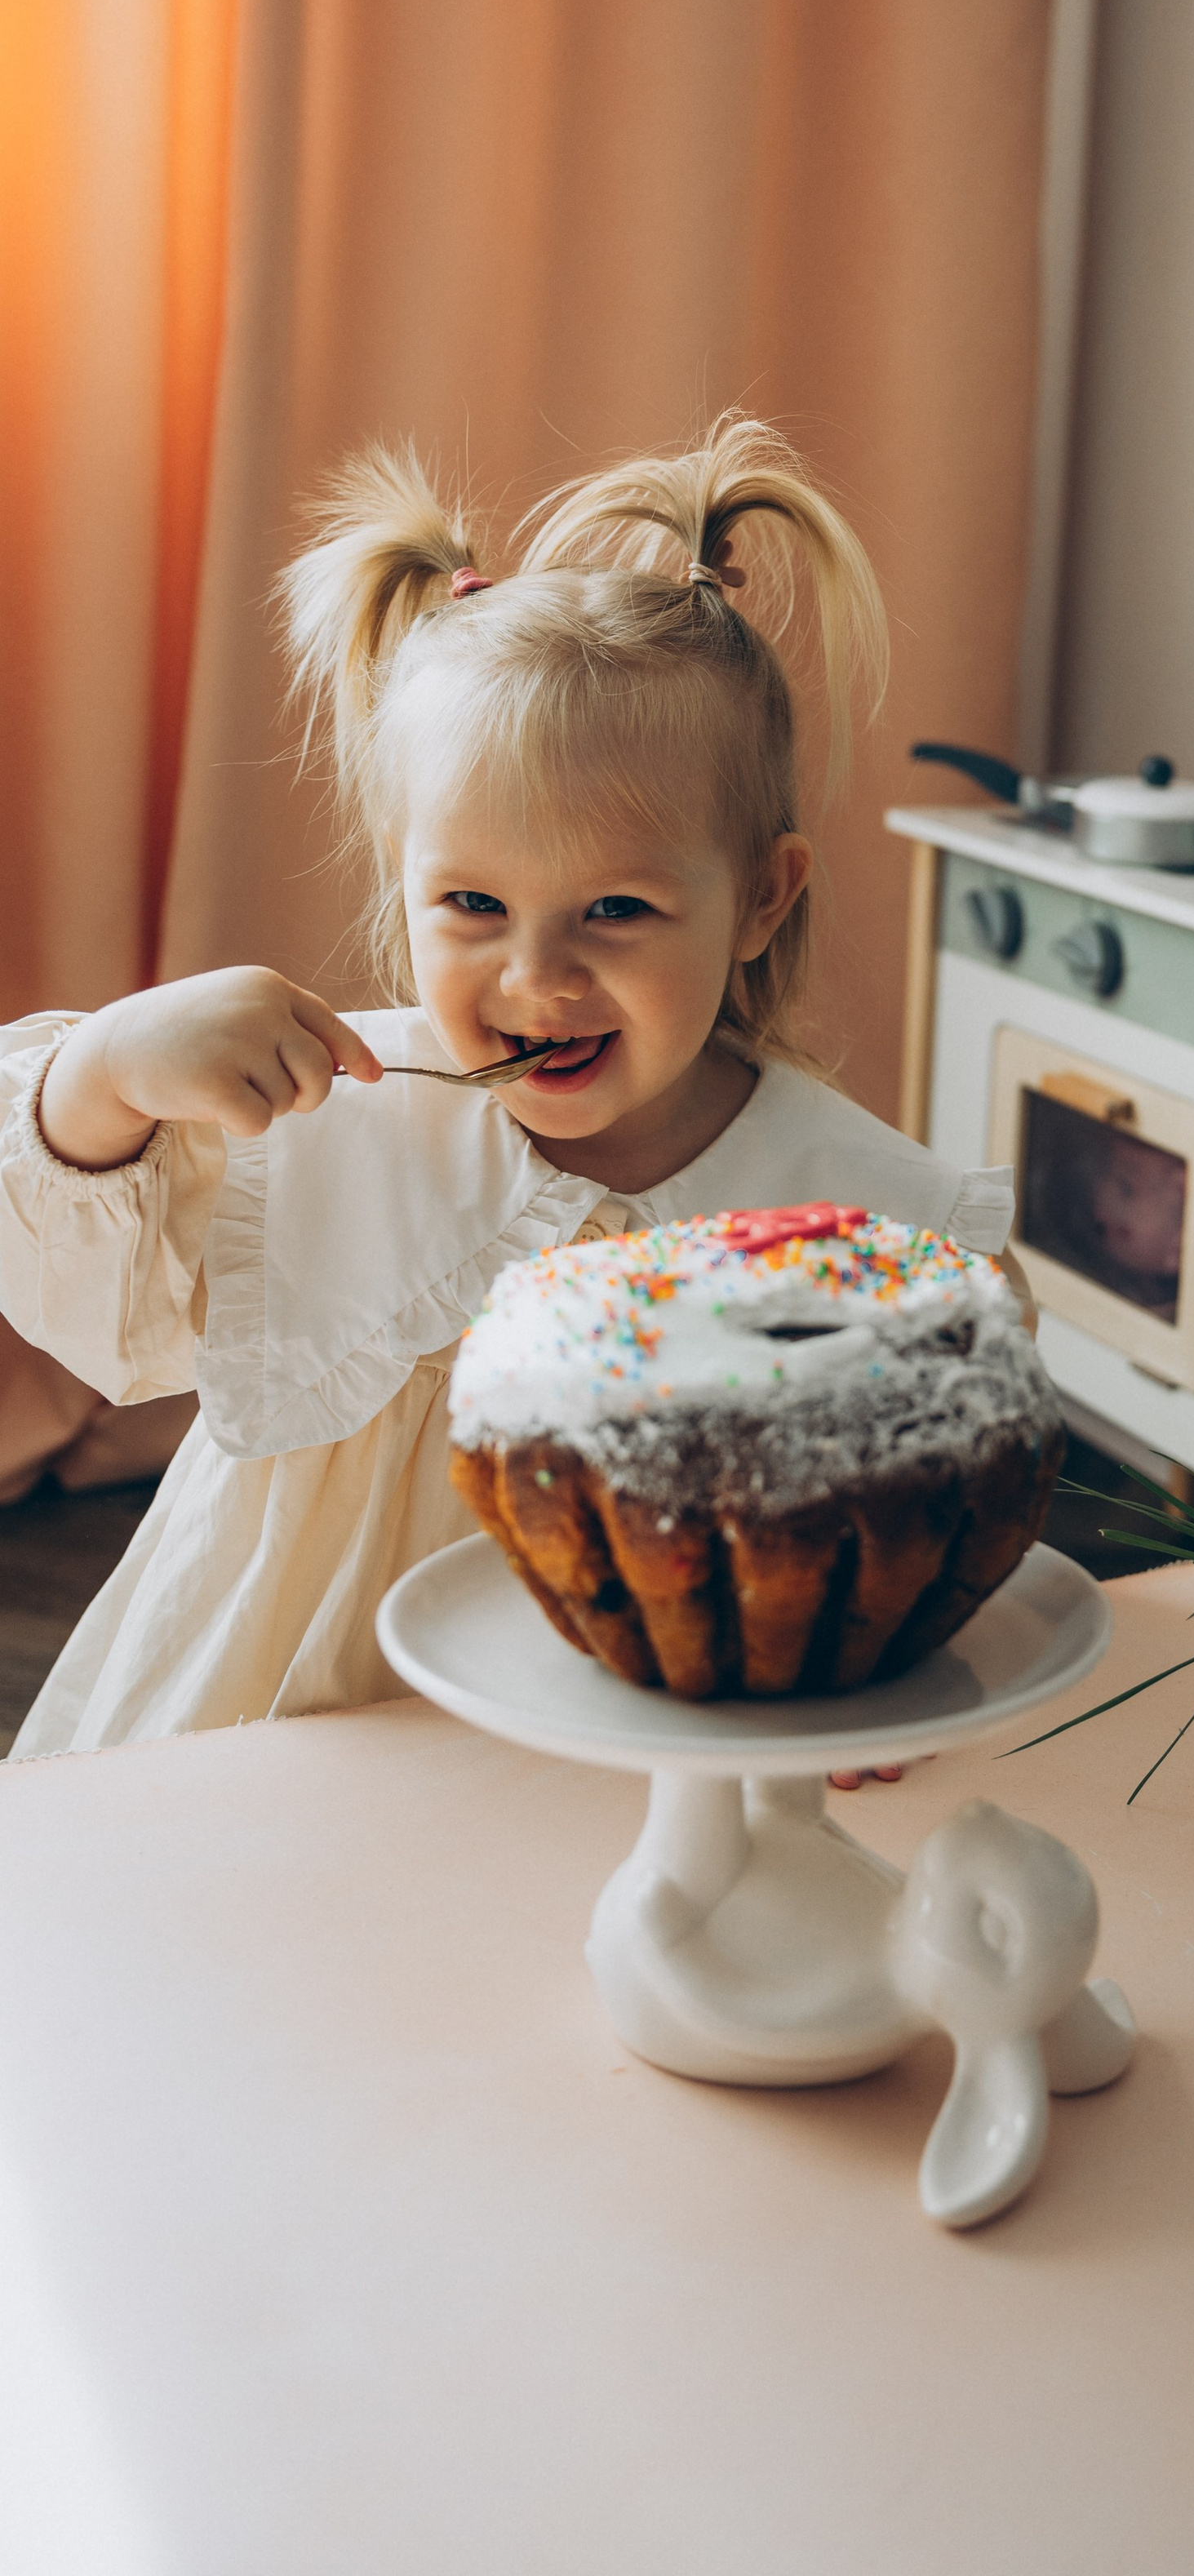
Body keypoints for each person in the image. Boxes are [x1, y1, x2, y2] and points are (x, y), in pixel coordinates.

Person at [0, 415, 1012, 1760]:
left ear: (761, 899)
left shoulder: (859, 1222)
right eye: (472, 903)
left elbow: (927, 1515)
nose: (539, 978)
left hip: (655, 1776)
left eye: (617, 909)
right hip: (297, 1744)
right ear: (400, 879)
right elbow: (96, 1317)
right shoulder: (325, 1125)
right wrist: (107, 1071)